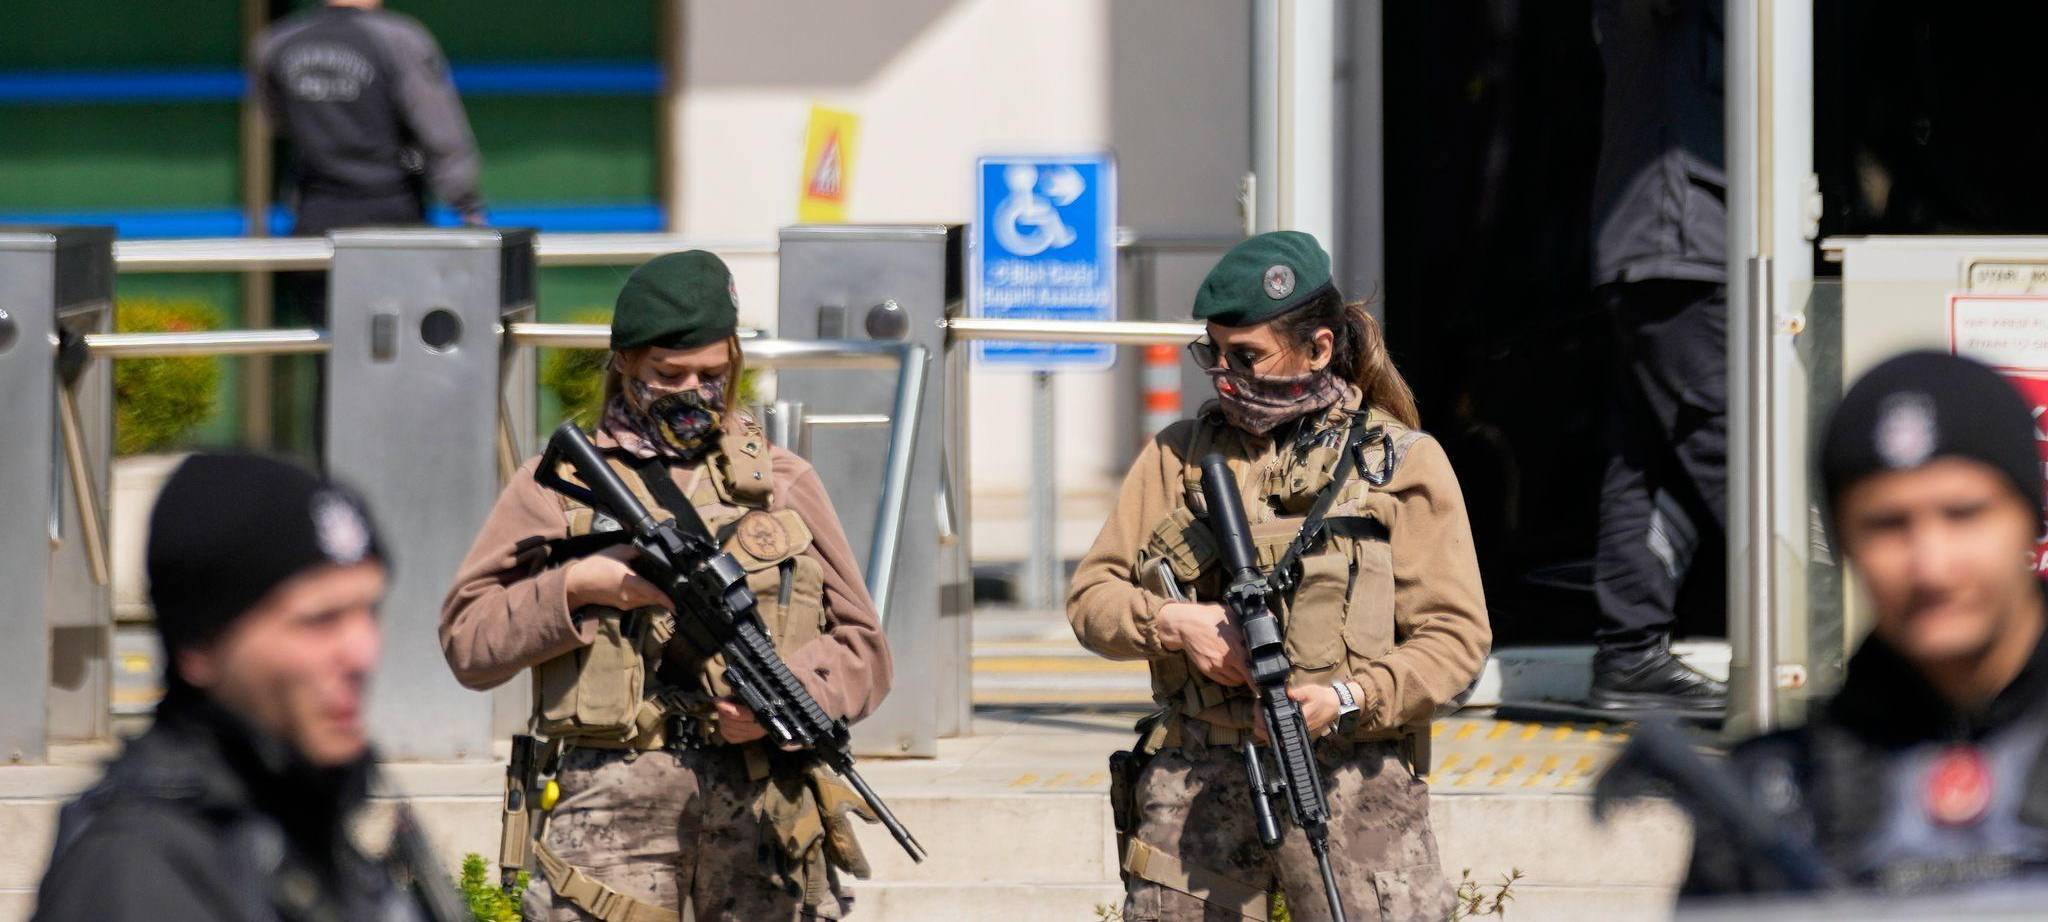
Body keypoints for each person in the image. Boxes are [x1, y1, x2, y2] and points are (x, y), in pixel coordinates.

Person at [440, 251, 892, 921]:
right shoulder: (557, 488)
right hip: (610, 811)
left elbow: (865, 650)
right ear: (625, 362)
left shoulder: (782, 479)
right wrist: (579, 586)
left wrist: (792, 701)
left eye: (712, 374)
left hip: (763, 806)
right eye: (668, 373)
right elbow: (468, 641)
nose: (692, 391)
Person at [1069, 231, 1492, 920]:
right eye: (1212, 352)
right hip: (1196, 783)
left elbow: (1455, 641)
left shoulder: (1400, 463)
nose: (1223, 374)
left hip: (1353, 787)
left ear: (1319, 347)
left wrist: (1349, 696)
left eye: (1247, 355)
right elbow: (1092, 600)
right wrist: (1175, 623)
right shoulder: (1178, 456)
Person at [1683, 351, 2048, 898]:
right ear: (1845, 545)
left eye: (1964, 514)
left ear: (2030, 520)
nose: (1932, 567)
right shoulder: (1775, 801)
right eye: (1888, 525)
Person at [34, 454, 428, 921]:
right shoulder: (133, 871)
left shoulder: (298, 821)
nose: (362, 653)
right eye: (318, 620)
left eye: (369, 612)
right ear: (200, 647)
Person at [1585, 0, 1732, 716]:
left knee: (1649, 459)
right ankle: (1811, 656)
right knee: (1741, 450)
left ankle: (1632, 654)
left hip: (1673, 249)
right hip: (1680, 250)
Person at [255, 0, 486, 236]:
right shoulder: (399, 38)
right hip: (392, 208)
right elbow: (439, 129)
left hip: (315, 210)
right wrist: (467, 204)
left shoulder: (276, 42)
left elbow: (273, 120)